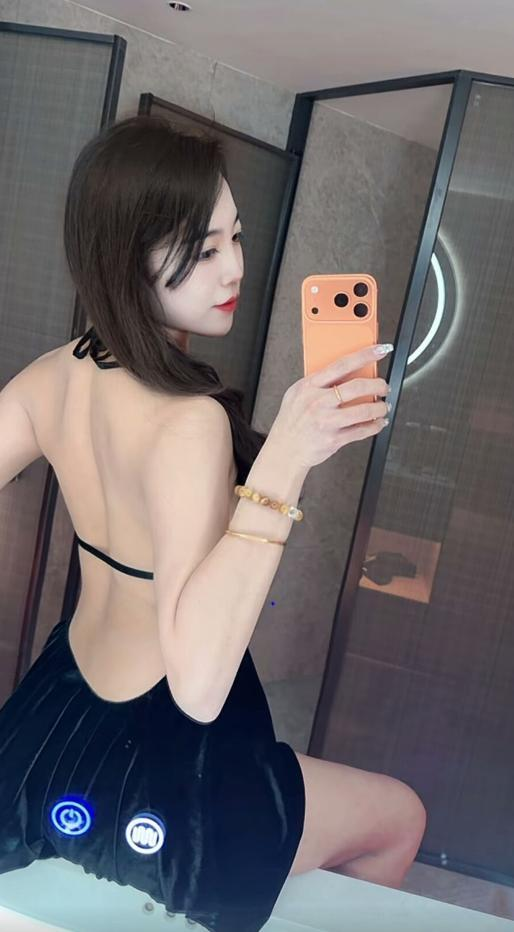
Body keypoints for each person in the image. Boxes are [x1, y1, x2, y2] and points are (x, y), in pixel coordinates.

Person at [0, 114, 426, 931]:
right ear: (125, 255)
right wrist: (284, 462)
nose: (234, 267)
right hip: (171, 761)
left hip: (56, 721)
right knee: (400, 816)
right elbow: (196, 688)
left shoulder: (49, 375)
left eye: (236, 236)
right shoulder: (188, 421)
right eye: (202, 250)